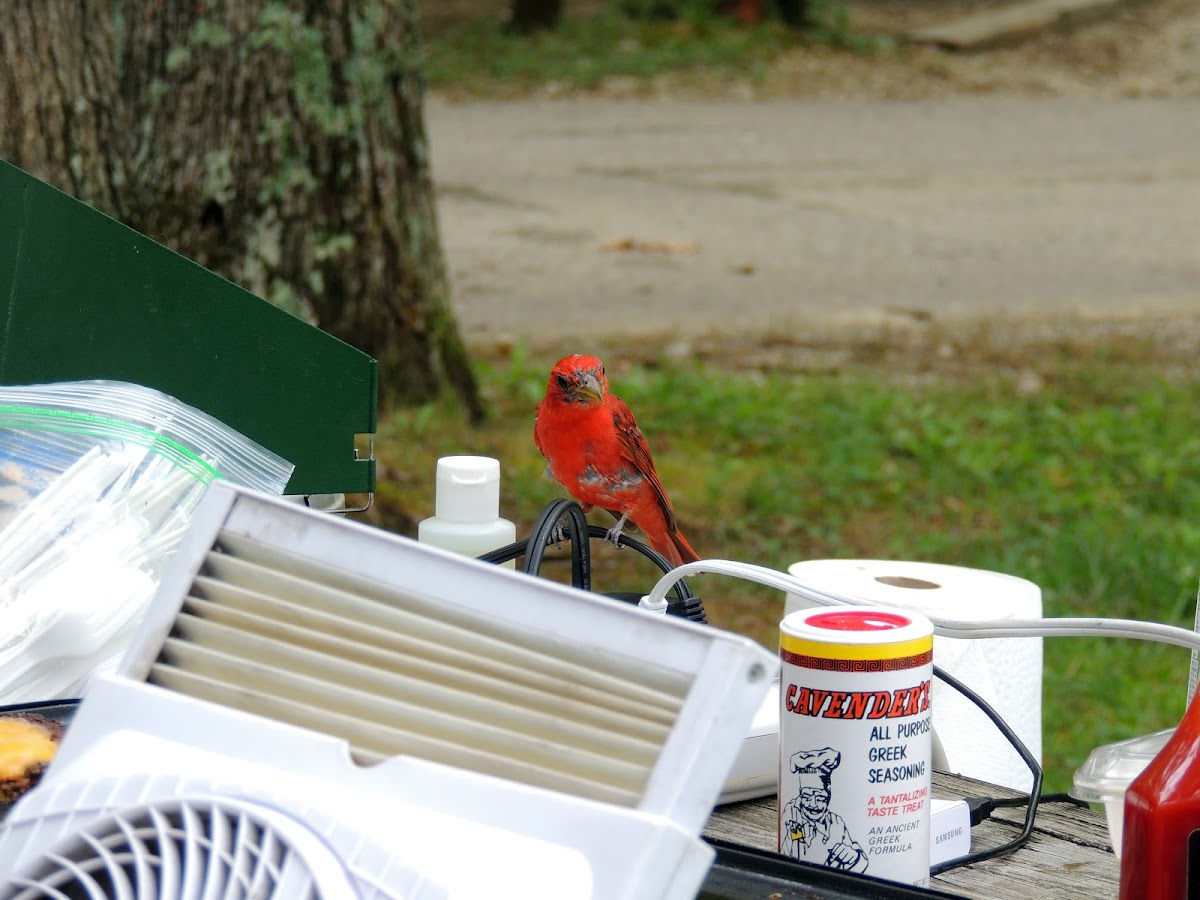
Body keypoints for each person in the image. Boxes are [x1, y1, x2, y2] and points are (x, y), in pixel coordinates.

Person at [780, 747, 868, 873]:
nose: (813, 804)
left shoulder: (836, 823)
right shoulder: (793, 813)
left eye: (820, 797)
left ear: (829, 795)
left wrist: (854, 857)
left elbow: (862, 863)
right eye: (806, 796)